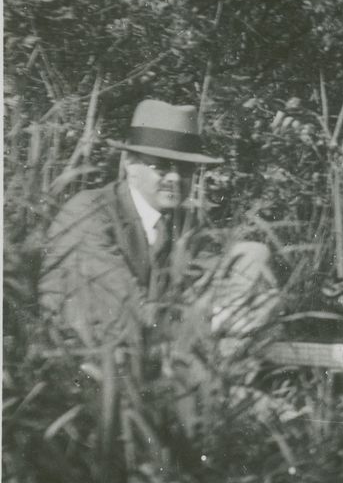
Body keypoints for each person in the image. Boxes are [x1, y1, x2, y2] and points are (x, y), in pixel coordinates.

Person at [40, 99, 278, 348]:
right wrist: (216, 321)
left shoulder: (183, 223)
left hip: (159, 347)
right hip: (86, 359)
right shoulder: (90, 212)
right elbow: (121, 315)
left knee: (252, 254)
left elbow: (216, 284)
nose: (175, 177)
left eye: (185, 168)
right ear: (130, 164)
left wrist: (253, 304)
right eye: (161, 166)